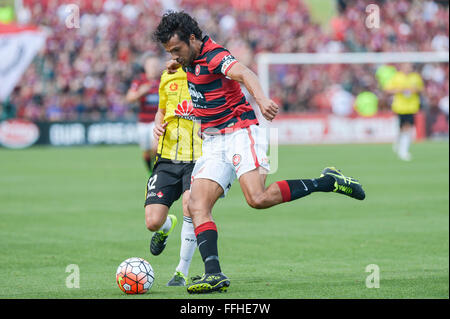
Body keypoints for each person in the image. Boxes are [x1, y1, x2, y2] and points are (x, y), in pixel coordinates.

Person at [154, 11, 366, 294]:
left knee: (257, 198)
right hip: (214, 140)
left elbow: (245, 72)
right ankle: (214, 274)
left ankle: (326, 182)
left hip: (240, 131)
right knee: (196, 205)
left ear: (192, 39)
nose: (175, 56)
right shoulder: (188, 58)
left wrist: (262, 98)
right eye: (170, 52)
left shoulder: (215, 55)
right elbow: (189, 65)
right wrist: (177, 62)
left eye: (177, 50)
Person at [144, 65, 202, 286]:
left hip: (197, 157)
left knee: (190, 205)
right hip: (167, 157)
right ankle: (167, 226)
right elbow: (161, 110)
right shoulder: (167, 77)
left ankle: (181, 271)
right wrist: (158, 125)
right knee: (152, 222)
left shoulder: (205, 74)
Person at [126, 53, 162, 173]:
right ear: (145, 67)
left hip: (157, 121)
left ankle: (157, 171)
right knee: (146, 151)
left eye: (156, 65)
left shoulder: (164, 79)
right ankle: (150, 172)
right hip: (143, 121)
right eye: (151, 65)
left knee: (156, 147)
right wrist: (140, 93)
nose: (154, 68)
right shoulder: (140, 80)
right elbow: (129, 98)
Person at [384, 63, 424, 161]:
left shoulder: (415, 77)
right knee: (402, 128)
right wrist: (399, 90)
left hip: (411, 107)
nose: (408, 68)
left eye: (409, 67)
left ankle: (403, 150)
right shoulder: (397, 77)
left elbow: (421, 88)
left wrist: (415, 90)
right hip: (400, 107)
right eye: (406, 67)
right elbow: (387, 90)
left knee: (408, 127)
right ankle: (399, 144)